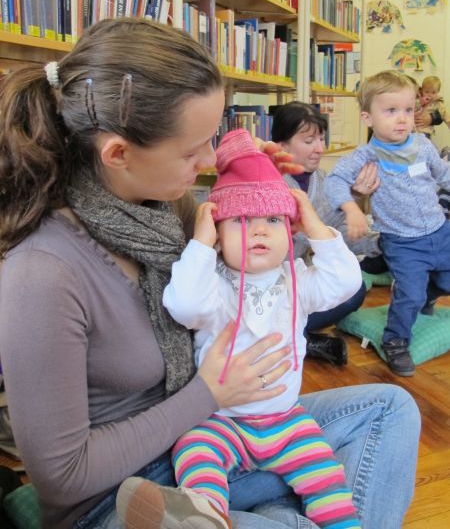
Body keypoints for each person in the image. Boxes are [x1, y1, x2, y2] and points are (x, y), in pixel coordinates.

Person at [0, 18, 420, 529]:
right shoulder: (41, 275)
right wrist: (208, 394)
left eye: (213, 141)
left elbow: (246, 247)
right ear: (118, 153)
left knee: (391, 408)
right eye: (192, 149)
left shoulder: (162, 210)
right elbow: (64, 477)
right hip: (121, 492)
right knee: (298, 518)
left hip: (215, 434)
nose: (207, 159)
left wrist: (246, 174)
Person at [117, 129, 363, 529]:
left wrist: (316, 225)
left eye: (273, 220)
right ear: (219, 234)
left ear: (291, 229)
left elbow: (347, 282)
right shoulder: (212, 284)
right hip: (219, 420)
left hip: (286, 420)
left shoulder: (298, 280)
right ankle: (205, 518)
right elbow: (184, 305)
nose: (260, 230)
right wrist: (200, 244)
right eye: (242, 221)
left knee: (326, 476)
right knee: (195, 456)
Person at [324, 70, 450, 377]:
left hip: (440, 230)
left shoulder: (422, 145)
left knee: (445, 282)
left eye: (408, 109)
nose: (402, 119)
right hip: (403, 242)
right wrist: (352, 208)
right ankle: (395, 340)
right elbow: (334, 180)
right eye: (391, 111)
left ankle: (429, 293)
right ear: (368, 118)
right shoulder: (367, 155)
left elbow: (443, 174)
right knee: (409, 295)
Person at [271, 102, 386, 365]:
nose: (319, 148)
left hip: (298, 286)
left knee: (355, 290)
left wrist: (383, 244)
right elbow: (298, 237)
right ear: (282, 146)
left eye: (321, 139)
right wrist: (345, 202)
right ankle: (297, 339)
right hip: (266, 290)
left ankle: (294, 338)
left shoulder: (322, 181)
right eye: (309, 141)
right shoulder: (269, 184)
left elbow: (341, 235)